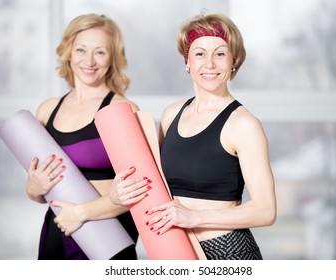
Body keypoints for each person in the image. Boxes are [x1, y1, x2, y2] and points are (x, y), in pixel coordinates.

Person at [111, 12, 276, 260]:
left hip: (227, 252)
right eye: (200, 53)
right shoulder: (171, 114)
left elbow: (266, 211)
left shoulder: (243, 124)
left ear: (234, 60)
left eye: (220, 53)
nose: (209, 64)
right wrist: (117, 194)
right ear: (187, 60)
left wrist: (193, 217)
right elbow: (156, 184)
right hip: (174, 250)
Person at [25, 14, 150, 260]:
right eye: (81, 50)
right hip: (58, 228)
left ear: (112, 58)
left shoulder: (122, 110)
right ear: (68, 52)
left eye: (100, 52)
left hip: (107, 235)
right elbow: (38, 189)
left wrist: (82, 213)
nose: (89, 61)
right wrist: (32, 189)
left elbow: (142, 189)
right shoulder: (47, 110)